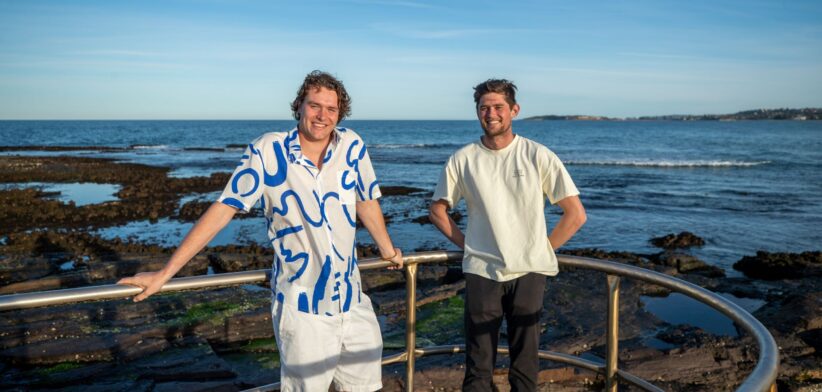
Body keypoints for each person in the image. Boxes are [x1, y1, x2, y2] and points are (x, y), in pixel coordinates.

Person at [119, 70, 403, 392]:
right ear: (299, 106)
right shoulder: (268, 151)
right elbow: (224, 208)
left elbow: (365, 200)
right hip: (303, 310)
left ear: (340, 113)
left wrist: (387, 250)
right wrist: (165, 273)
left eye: (331, 109)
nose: (322, 116)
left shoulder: (352, 145)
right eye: (314, 106)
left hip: (353, 303)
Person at [428, 79, 586, 391]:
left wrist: (542, 250)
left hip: (528, 272)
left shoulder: (537, 155)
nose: (491, 113)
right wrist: (468, 245)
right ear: (477, 113)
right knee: (478, 365)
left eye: (498, 106)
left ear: (514, 110)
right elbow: (437, 210)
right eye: (484, 107)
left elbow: (576, 214)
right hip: (481, 271)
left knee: (525, 365)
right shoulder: (463, 159)